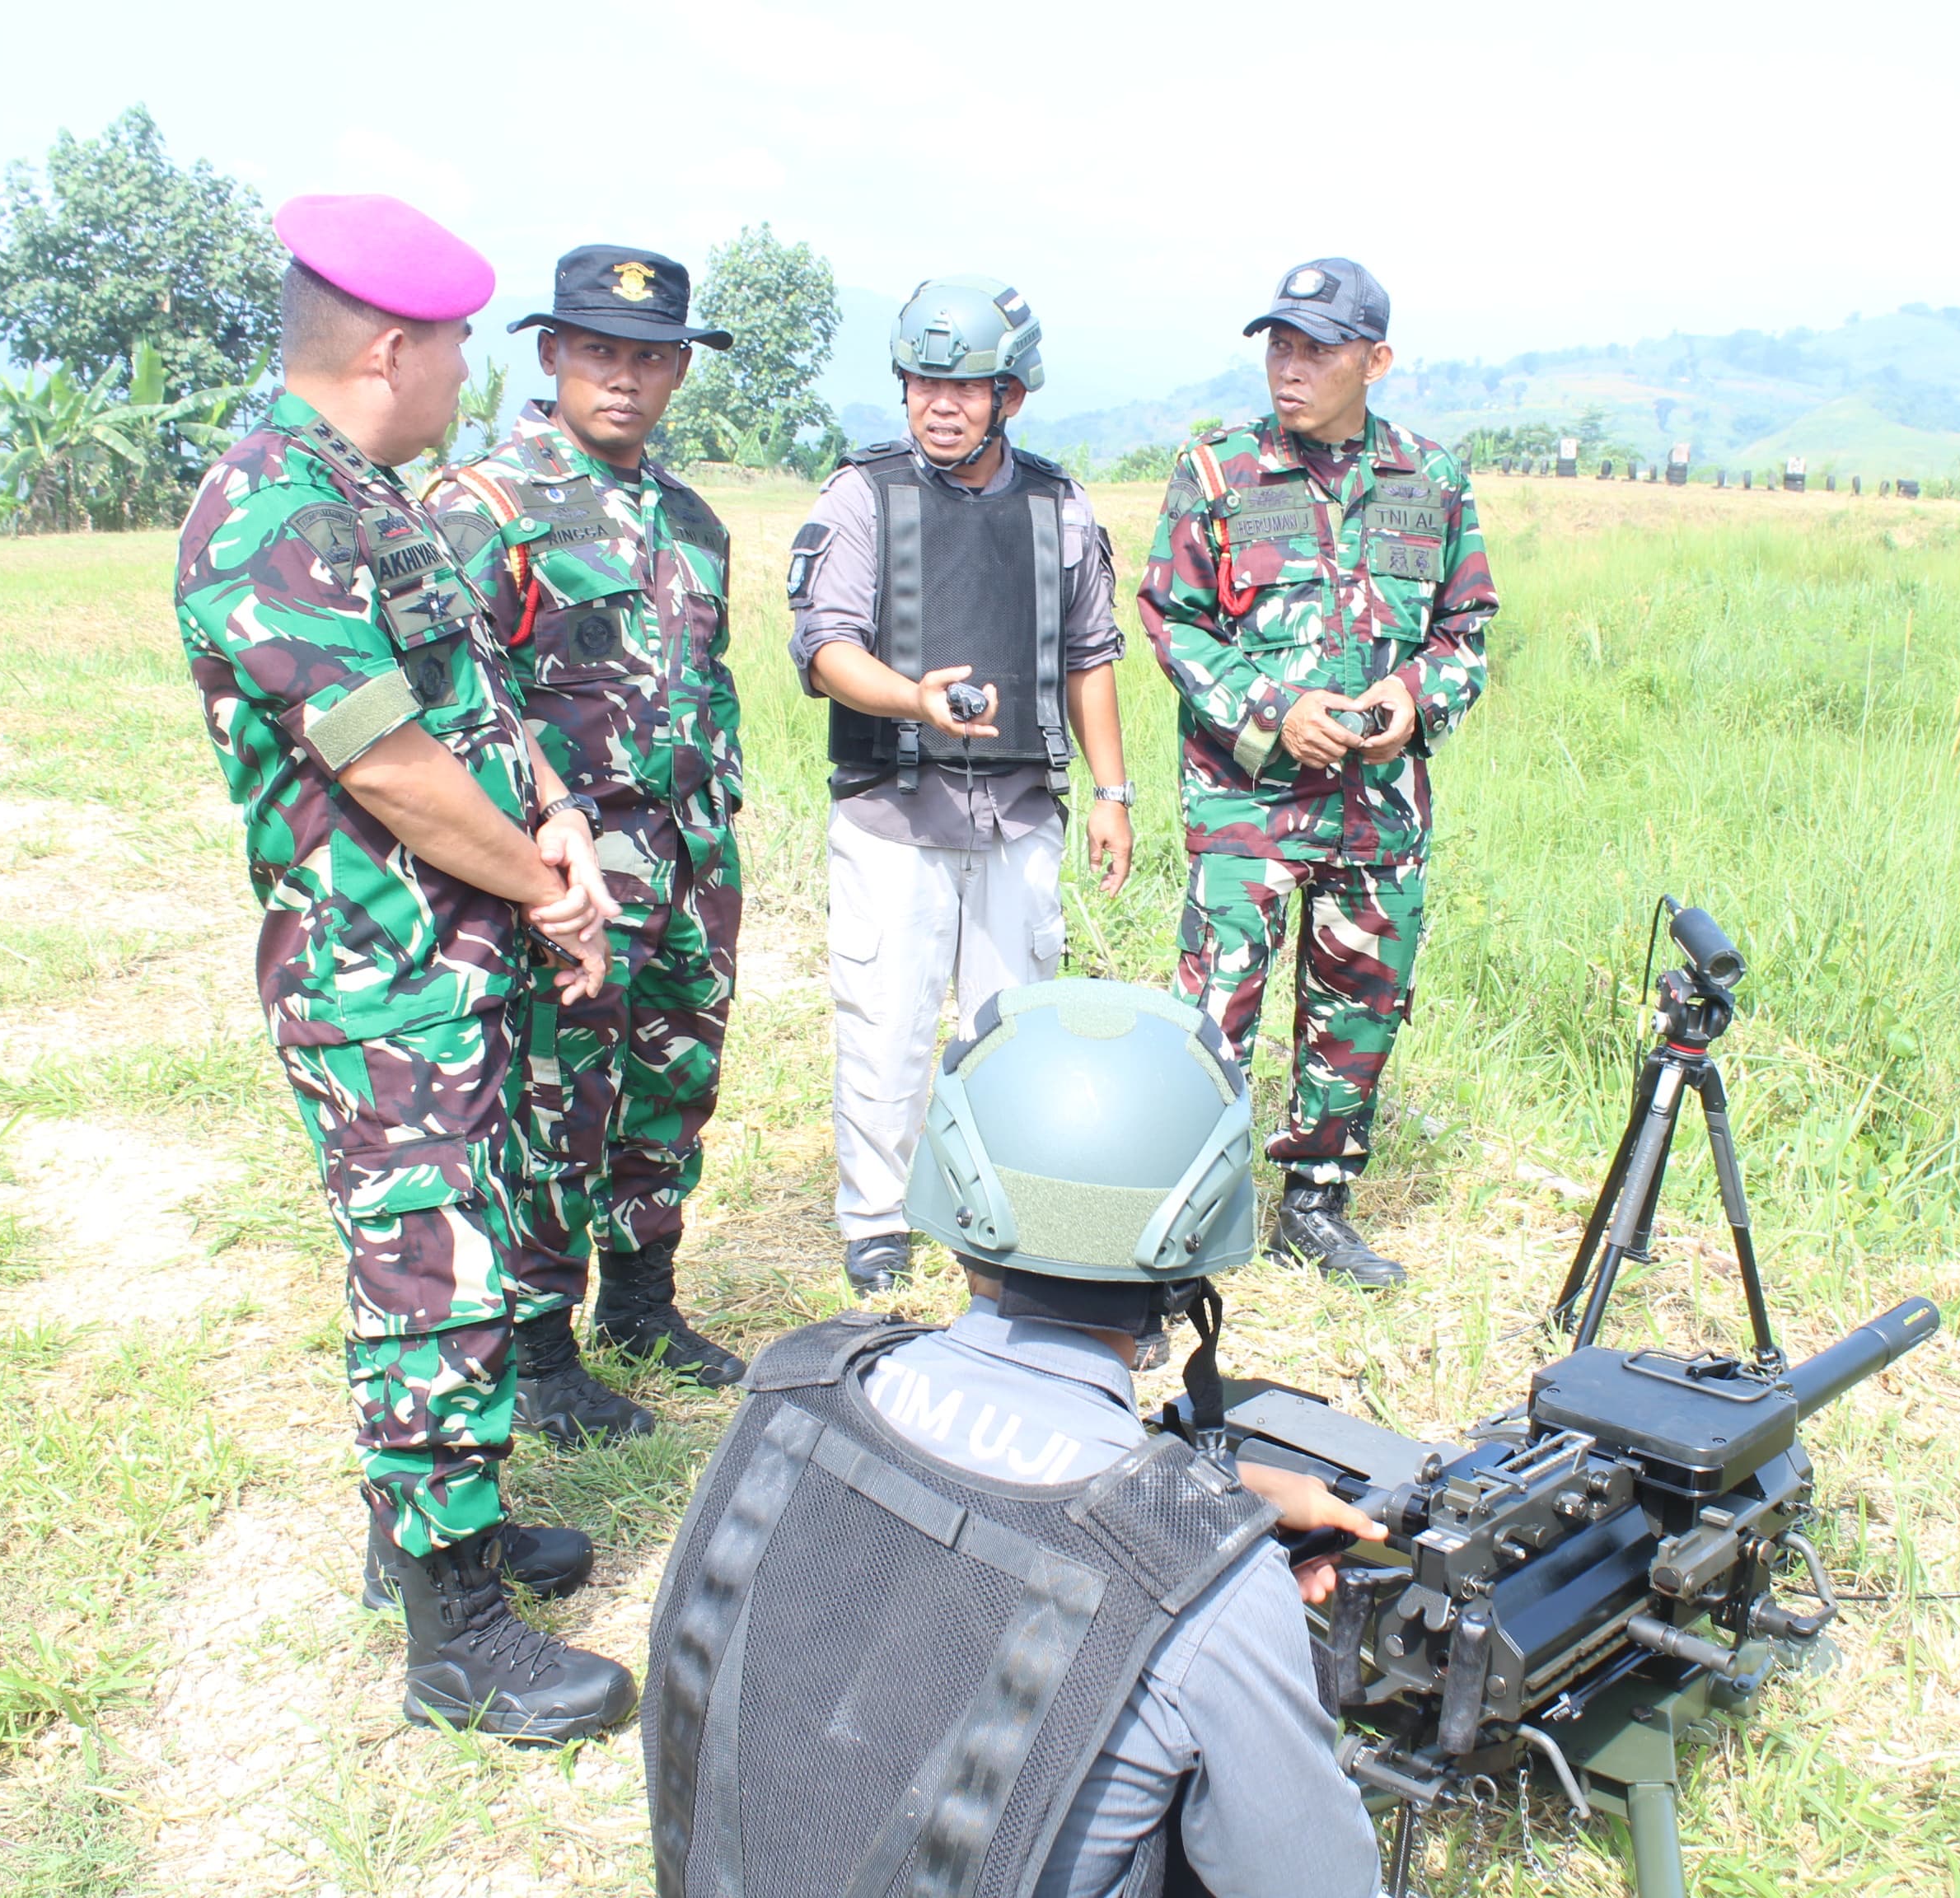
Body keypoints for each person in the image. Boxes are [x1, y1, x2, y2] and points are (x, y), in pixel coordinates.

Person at [174, 193, 634, 1742]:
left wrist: (558, 816)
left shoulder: (369, 493)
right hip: (383, 972)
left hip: (460, 953)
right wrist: (552, 890)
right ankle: (455, 1634)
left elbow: (474, 706)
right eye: (452, 344)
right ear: (388, 348)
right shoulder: (270, 508)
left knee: (467, 1246)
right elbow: (386, 765)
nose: (463, 371)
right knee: (430, 1278)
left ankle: (434, 1531)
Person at [643, 979, 1383, 1898]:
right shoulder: (1214, 1597)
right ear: (1196, 1251)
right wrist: (1230, 1580)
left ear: (953, 1193)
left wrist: (1209, 1503)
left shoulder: (799, 1389)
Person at [429, 245, 748, 1445]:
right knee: (558, 1098)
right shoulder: (483, 507)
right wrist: (527, 863)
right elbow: (460, 702)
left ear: (679, 371)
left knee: (670, 1087)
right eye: (600, 351)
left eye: (650, 358)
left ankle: (643, 1303)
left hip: (689, 860)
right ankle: (542, 1348)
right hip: (565, 873)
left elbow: (706, 683)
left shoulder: (691, 517)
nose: (624, 377)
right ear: (553, 352)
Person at [1139, 259, 1496, 1291]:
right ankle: (1182, 1226)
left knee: (1361, 1005)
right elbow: (1173, 622)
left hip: (1378, 809)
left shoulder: (1432, 479)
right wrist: (1274, 711)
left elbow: (1466, 628)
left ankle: (1316, 1204)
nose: (1288, 370)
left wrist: (1414, 700)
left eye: (1316, 352)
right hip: (1247, 802)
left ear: (1374, 363)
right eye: (1279, 347)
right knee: (1216, 1010)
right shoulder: (1218, 472)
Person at [784, 277, 1136, 1297]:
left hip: (1019, 811)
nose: (941, 405)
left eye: (966, 387)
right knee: (886, 1028)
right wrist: (912, 699)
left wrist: (1112, 795)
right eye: (923, 383)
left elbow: (1091, 655)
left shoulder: (1058, 505)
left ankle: (1000, 1216)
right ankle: (877, 1222)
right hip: (893, 811)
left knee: (1013, 1030)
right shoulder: (863, 497)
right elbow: (825, 650)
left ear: (1008, 396)